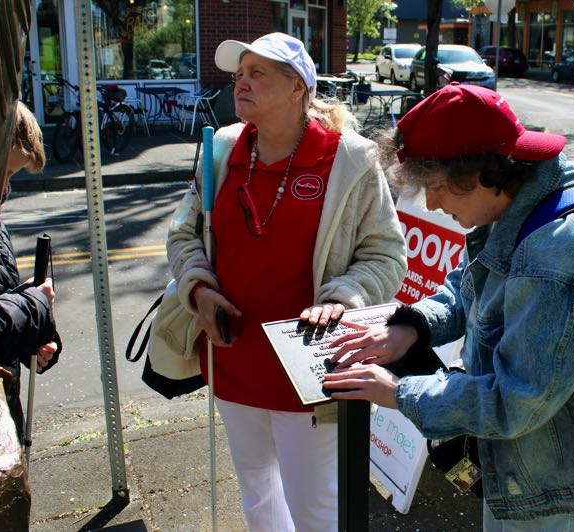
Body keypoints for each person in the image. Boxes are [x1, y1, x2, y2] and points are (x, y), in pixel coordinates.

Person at [323, 83, 574, 530]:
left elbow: (518, 400)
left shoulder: (562, 252)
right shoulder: (521, 198)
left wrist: (398, 393)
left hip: (554, 477)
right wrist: (412, 325)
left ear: (479, 173)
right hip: (522, 457)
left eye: (435, 187)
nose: (430, 203)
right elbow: (466, 287)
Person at [163, 32, 406, 532]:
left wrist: (343, 297)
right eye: (239, 75)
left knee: (316, 507)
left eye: (257, 73)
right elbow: (183, 234)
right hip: (233, 358)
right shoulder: (220, 148)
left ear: (299, 88)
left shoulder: (352, 160)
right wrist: (200, 290)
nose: (241, 84)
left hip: (307, 370)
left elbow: (387, 256)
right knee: (256, 493)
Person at [0, 100, 61, 441]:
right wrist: (31, 307)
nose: (6, 188)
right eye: (2, 172)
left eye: (13, 175)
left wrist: (32, 340)